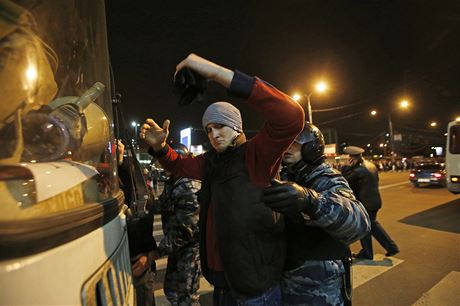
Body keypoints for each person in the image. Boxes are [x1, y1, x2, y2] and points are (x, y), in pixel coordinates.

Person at [140, 53, 304, 305]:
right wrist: (161, 148)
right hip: (223, 285)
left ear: (237, 127)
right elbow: (179, 165)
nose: (214, 134)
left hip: (255, 289)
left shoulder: (255, 155)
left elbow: (291, 116)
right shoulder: (212, 162)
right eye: (208, 129)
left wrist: (216, 73)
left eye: (220, 126)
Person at [261, 123, 370, 306]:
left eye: (294, 142)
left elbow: (360, 223)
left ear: (311, 147)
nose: (286, 147)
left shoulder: (325, 178)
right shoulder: (285, 176)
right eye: (284, 141)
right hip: (287, 280)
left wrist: (311, 201)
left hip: (319, 289)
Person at [154, 143, 201, 305]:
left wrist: (154, 253)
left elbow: (185, 231)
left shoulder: (188, 186)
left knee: (186, 297)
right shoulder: (173, 181)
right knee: (171, 291)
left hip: (189, 253)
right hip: (176, 250)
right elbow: (163, 203)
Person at [117, 140, 159, 306]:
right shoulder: (130, 187)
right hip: (130, 262)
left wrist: (150, 255)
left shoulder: (138, 193)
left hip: (138, 264)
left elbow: (184, 231)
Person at [341, 146, 400, 260]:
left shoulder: (358, 171)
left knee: (365, 227)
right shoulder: (371, 165)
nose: (348, 159)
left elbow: (344, 179)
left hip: (366, 203)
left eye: (349, 158)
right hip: (375, 201)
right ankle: (388, 248)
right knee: (371, 226)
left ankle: (372, 252)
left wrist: (346, 166)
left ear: (353, 158)